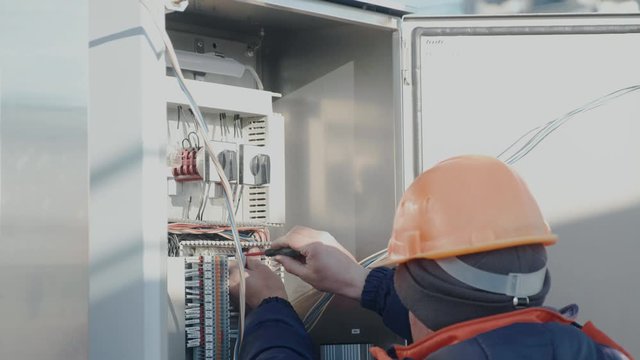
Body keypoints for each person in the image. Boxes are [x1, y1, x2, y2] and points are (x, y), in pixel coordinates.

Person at [230, 155, 632, 359]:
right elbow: (458, 309)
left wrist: (269, 307)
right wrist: (358, 280)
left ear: (412, 291)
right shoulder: (586, 351)